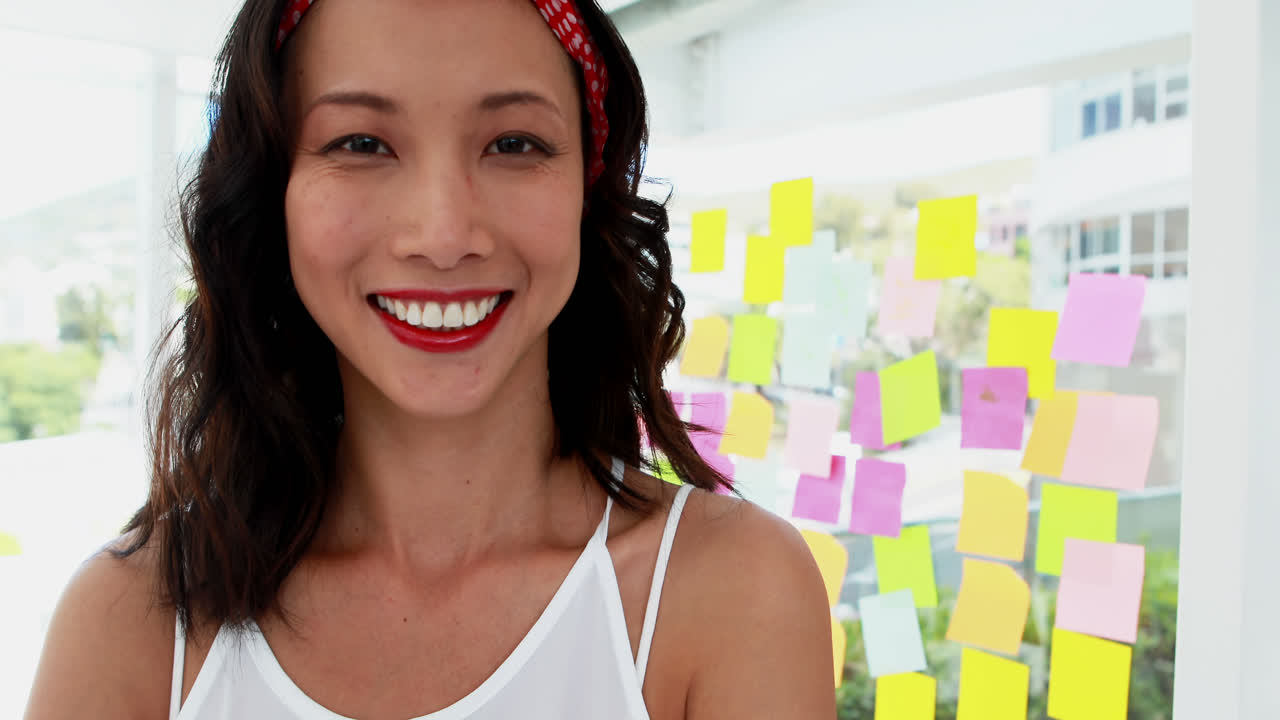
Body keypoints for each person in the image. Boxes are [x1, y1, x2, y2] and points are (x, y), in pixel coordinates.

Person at [24, 0, 836, 718]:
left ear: (589, 190)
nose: (445, 235)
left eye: (514, 143)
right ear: (273, 196)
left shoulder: (731, 592)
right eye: (362, 142)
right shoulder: (132, 621)